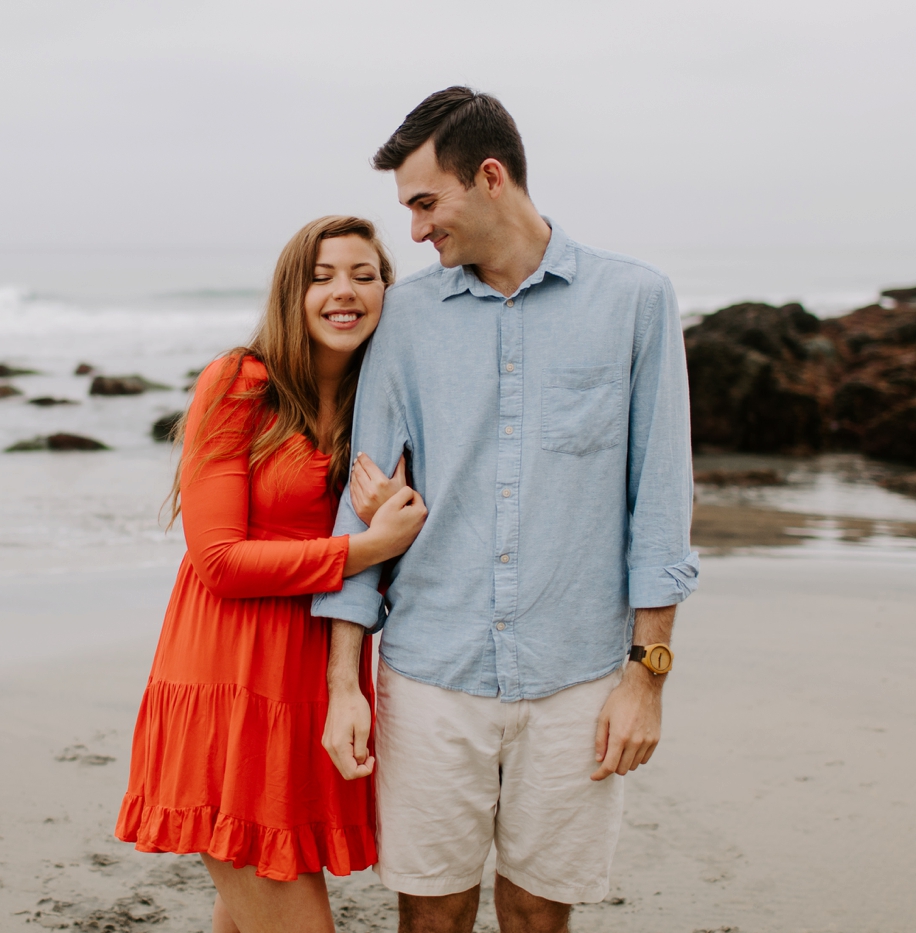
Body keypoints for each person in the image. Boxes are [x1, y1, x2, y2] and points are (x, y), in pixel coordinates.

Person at [316, 88, 699, 933]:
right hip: (430, 672)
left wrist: (647, 678)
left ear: (490, 177)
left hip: (578, 674)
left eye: (425, 202)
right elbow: (361, 513)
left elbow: (661, 505)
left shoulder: (634, 299)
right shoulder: (407, 316)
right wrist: (345, 684)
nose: (415, 231)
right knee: (433, 912)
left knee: (536, 913)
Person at [116, 215, 428, 933]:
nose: (342, 292)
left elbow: (410, 539)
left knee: (248, 909)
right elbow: (218, 561)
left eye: (363, 275)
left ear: (387, 291)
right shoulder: (239, 383)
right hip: (226, 684)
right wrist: (364, 548)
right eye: (321, 277)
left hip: (307, 690)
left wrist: (394, 524)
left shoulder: (377, 406)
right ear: (292, 293)